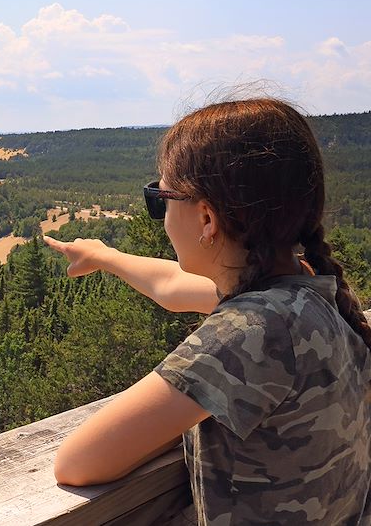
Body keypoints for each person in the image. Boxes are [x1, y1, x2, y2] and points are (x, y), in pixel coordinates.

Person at [45, 98, 371, 524]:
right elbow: (173, 286)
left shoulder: (249, 334)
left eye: (160, 197)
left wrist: (180, 413)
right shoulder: (304, 290)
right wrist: (104, 255)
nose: (160, 215)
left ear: (205, 219)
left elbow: (78, 461)